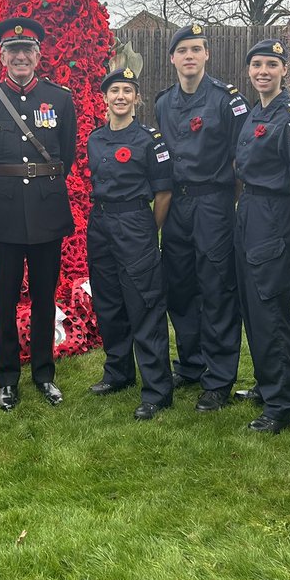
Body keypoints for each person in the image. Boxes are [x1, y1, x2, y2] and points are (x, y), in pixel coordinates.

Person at [0, 16, 77, 411]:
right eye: (12, 51)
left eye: (26, 50)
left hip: (47, 211)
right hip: (6, 211)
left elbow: (64, 151)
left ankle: (44, 374)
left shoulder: (60, 98)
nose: (20, 57)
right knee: (5, 299)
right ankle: (8, 378)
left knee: (45, 296)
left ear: (37, 54)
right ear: (2, 56)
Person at [154, 24, 248, 413]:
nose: (190, 56)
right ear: (172, 59)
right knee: (179, 286)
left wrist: (226, 199)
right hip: (177, 204)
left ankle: (218, 377)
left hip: (213, 202)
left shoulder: (228, 101)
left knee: (216, 289)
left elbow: (242, 157)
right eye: (183, 51)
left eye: (197, 49)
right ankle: (190, 364)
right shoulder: (163, 103)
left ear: (207, 55)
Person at [232, 39, 290, 433]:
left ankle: (282, 403)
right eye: (257, 65)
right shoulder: (254, 113)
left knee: (271, 310)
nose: (263, 71)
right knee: (252, 305)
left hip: (274, 213)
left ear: (284, 70)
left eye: (271, 65)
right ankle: (267, 386)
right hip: (249, 212)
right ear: (249, 71)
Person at [86, 67, 174, 420]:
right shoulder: (95, 138)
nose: (120, 96)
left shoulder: (150, 139)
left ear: (137, 98)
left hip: (136, 222)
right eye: (114, 91)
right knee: (109, 303)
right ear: (104, 98)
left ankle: (157, 390)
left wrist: (147, 229)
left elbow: (164, 193)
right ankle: (118, 373)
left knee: (145, 305)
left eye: (127, 90)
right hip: (101, 223)